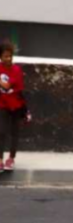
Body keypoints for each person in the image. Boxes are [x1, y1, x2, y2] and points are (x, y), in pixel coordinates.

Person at [0, 42, 27, 172]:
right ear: (0, 57)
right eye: (5, 56)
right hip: (2, 104)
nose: (8, 58)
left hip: (16, 105)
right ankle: (0, 160)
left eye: (10, 56)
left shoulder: (16, 70)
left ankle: (11, 158)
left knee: (14, 132)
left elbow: (6, 86)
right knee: (1, 131)